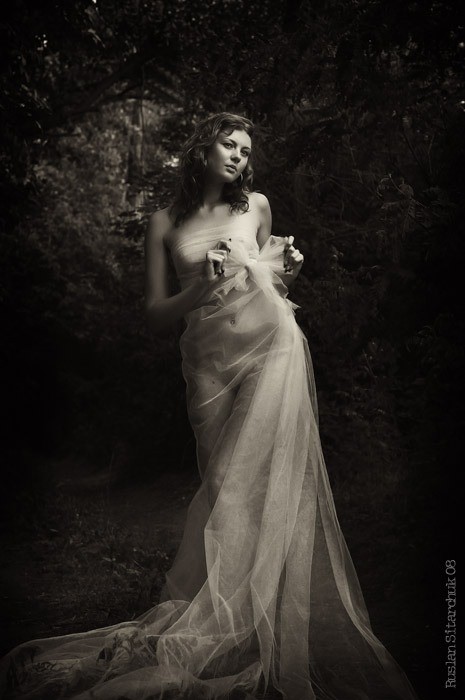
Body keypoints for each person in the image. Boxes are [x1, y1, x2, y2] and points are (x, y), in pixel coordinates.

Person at [0, 112, 420, 700]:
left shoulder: (257, 207)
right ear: (203, 147)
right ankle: (224, 621)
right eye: (229, 144)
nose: (239, 156)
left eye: (246, 150)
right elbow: (156, 314)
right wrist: (201, 285)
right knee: (223, 485)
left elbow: (268, 284)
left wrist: (289, 272)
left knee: (257, 480)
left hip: (269, 346)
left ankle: (259, 628)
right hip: (206, 362)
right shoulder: (164, 222)